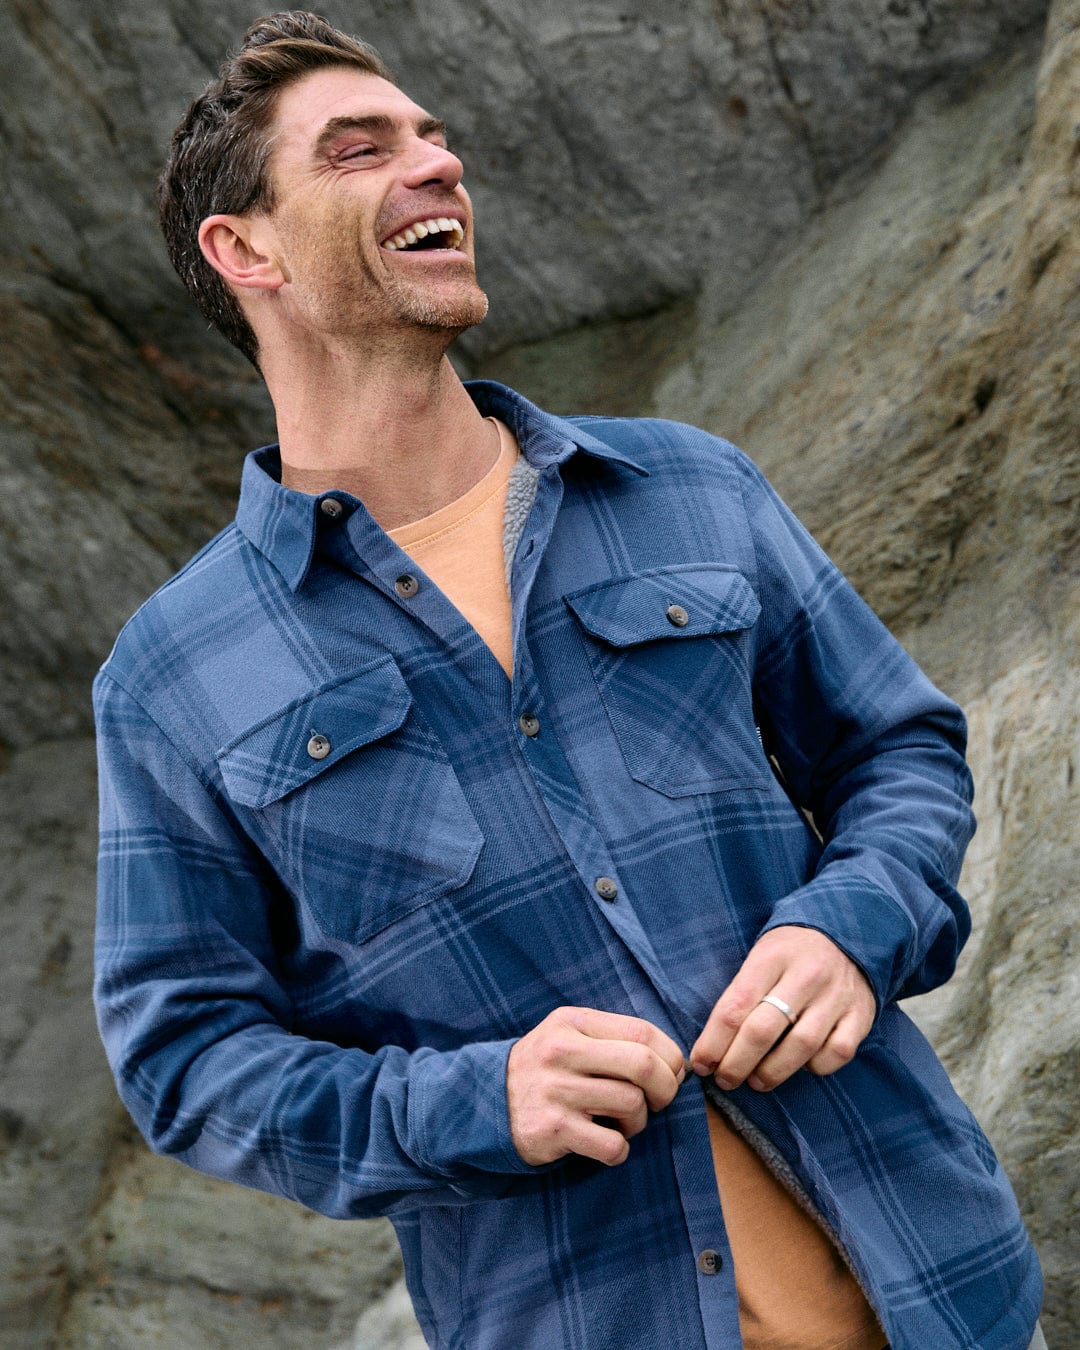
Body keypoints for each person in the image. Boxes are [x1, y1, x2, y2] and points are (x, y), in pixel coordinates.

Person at [93, 12, 1044, 1349]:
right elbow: (185, 1056)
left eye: (436, 138)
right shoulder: (174, 674)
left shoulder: (690, 485)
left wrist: (854, 921)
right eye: (361, 151)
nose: (437, 166)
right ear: (243, 249)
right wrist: (476, 1103)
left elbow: (899, 750)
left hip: (942, 1286)